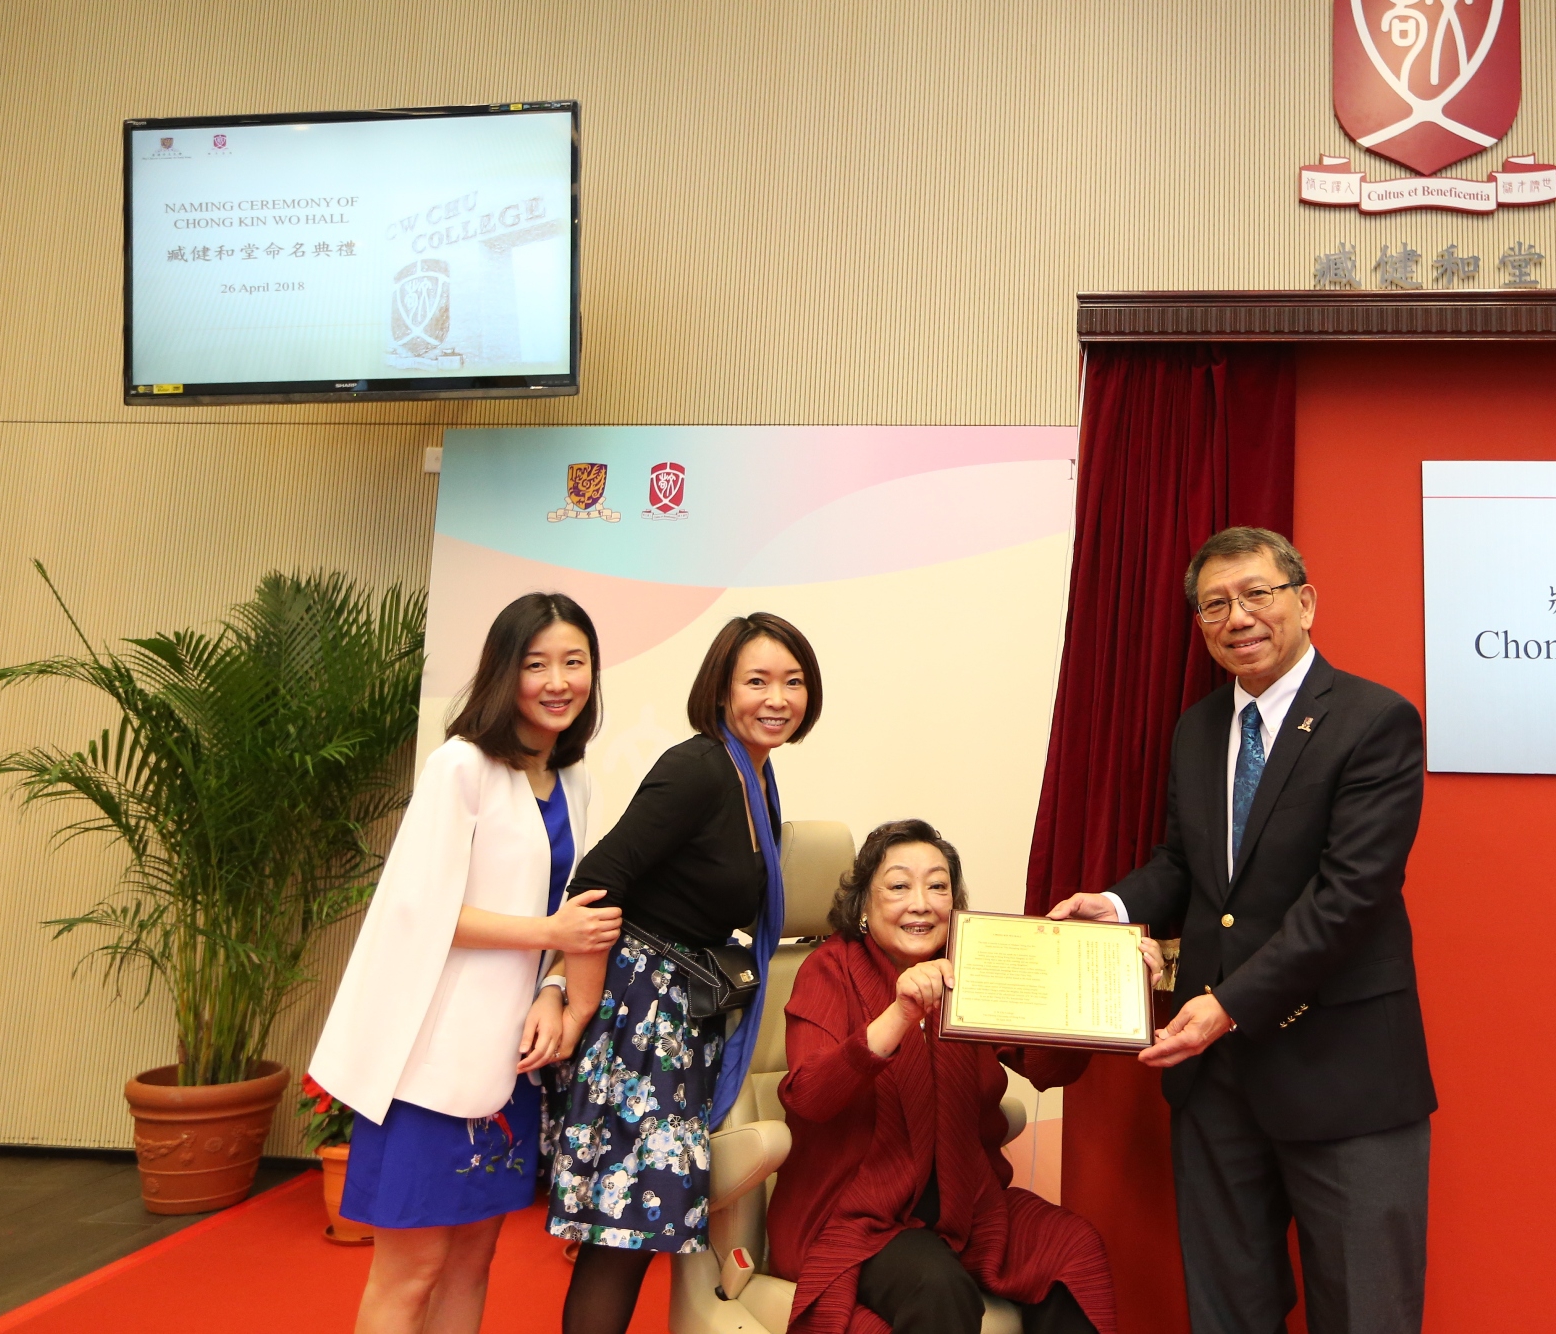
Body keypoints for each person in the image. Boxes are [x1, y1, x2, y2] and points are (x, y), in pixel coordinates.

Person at [1049, 526, 1434, 1334]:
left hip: (1343, 1071)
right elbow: (1184, 865)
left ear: (1304, 600)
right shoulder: (1197, 729)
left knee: (1366, 1313)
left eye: (1256, 594)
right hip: (1216, 1083)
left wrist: (1225, 1004)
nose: (1238, 617)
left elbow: (1350, 896)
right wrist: (1115, 907)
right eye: (1214, 604)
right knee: (1227, 1311)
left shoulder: (1373, 720)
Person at [310, 592, 623, 1334]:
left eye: (573, 663)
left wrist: (554, 986)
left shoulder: (574, 780)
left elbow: (571, 922)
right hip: (432, 1065)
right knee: (409, 1271)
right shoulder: (461, 765)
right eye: (536, 664)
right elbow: (423, 912)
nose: (557, 681)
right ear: (503, 674)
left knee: (471, 1264)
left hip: (508, 1065)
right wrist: (550, 932)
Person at [549, 613, 822, 1334]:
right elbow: (597, 881)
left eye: (792, 682)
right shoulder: (700, 765)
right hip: (644, 1022)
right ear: (722, 690)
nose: (777, 698)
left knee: (640, 1224)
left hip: (680, 1020)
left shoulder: (755, 776)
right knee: (623, 1234)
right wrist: (575, 1005)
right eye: (757, 680)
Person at [770, 820, 1118, 1334]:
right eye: (898, 886)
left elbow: (1045, 1068)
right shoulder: (829, 969)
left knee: (1072, 1249)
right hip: (855, 1217)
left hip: (969, 1207)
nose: (921, 903)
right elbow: (809, 1097)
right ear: (864, 906)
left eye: (938, 886)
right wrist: (900, 1013)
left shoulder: (971, 969)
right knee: (937, 1285)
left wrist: (1097, 992)